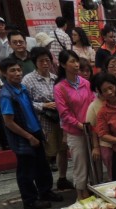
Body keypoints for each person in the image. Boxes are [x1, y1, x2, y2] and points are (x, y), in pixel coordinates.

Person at [0, 57, 62, 209]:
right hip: (23, 137)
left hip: (35, 131)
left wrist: (37, 132)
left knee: (42, 165)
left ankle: (45, 192)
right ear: (4, 74)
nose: (17, 73)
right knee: (26, 170)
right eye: (12, 71)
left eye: (19, 70)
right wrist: (29, 137)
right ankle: (30, 200)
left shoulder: (22, 89)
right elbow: (9, 122)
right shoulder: (6, 95)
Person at [23, 47, 73, 189]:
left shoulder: (55, 77)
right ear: (35, 62)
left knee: (63, 150)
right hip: (43, 122)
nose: (45, 63)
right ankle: (45, 185)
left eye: (47, 60)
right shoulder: (28, 80)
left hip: (60, 120)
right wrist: (43, 105)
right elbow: (26, 103)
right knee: (46, 154)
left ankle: (62, 179)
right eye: (41, 61)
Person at [54, 50, 95, 200]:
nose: (76, 64)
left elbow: (92, 104)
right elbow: (64, 113)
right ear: (63, 64)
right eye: (72, 61)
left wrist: (90, 124)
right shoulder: (60, 88)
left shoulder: (86, 83)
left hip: (90, 130)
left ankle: (93, 189)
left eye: (77, 61)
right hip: (75, 132)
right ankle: (80, 193)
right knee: (80, 163)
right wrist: (79, 125)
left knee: (93, 162)